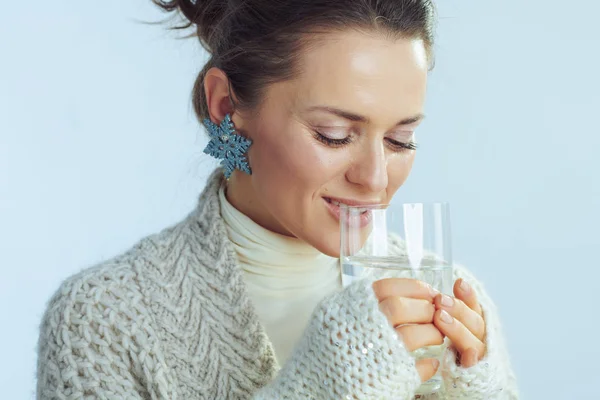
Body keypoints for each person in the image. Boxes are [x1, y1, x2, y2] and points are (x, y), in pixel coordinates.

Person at [36, 0, 519, 398]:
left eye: (401, 140)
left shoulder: (449, 292)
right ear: (225, 105)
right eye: (333, 135)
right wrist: (319, 387)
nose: (375, 179)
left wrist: (479, 388)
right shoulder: (104, 318)